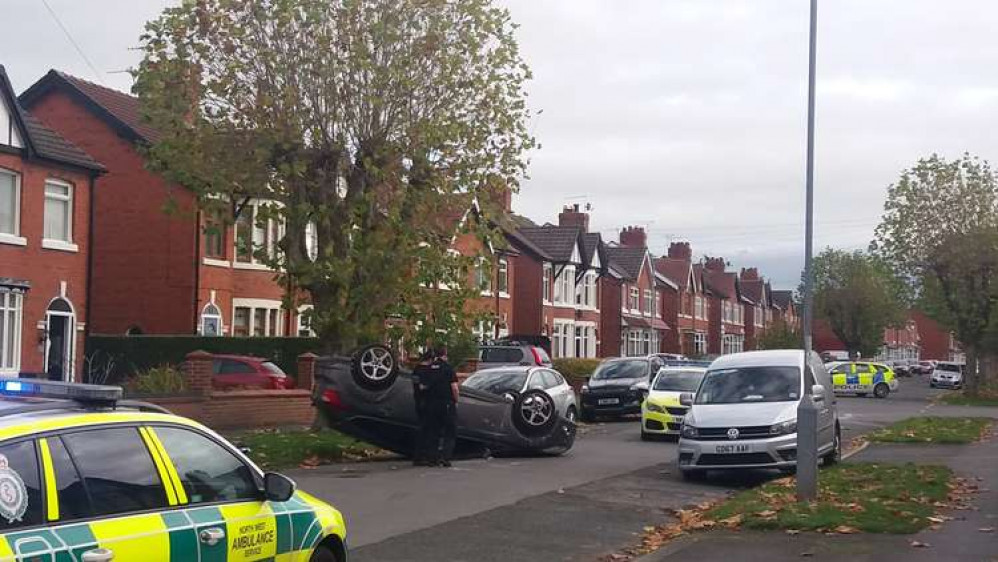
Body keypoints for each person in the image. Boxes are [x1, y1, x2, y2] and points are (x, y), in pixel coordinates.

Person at [415, 346, 459, 467]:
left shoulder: (429, 368)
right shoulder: (448, 368)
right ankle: (445, 458)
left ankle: (432, 458)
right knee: (449, 431)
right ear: (445, 355)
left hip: (431, 404)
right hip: (446, 403)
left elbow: (422, 386)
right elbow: (454, 387)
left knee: (433, 431)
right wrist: (456, 400)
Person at [411, 350, 436, 467]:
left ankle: (418, 455)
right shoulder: (427, 371)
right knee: (428, 430)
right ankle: (424, 455)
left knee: (421, 428)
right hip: (427, 402)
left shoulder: (416, 369)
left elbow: (416, 384)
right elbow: (423, 386)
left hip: (418, 401)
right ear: (430, 359)